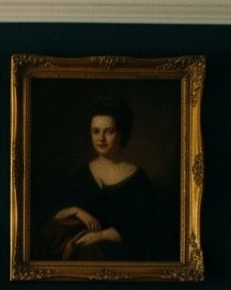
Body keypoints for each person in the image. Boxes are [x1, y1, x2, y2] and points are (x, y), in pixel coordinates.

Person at [48, 99, 170, 262]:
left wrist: (100, 236)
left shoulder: (138, 179)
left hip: (123, 261)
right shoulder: (81, 175)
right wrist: (77, 211)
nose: (101, 138)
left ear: (121, 133)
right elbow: (54, 217)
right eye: (96, 131)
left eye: (109, 131)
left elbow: (143, 229)